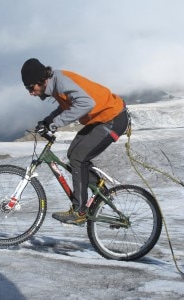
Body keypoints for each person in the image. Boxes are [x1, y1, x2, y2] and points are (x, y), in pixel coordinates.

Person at [21, 58, 129, 226]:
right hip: (101, 119)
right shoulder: (55, 83)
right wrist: (48, 120)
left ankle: (79, 211)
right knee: (73, 154)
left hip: (112, 118)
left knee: (78, 157)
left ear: (40, 81)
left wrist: (54, 124)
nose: (30, 92)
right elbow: (67, 106)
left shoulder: (61, 82)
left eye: (30, 87)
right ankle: (99, 191)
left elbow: (86, 103)